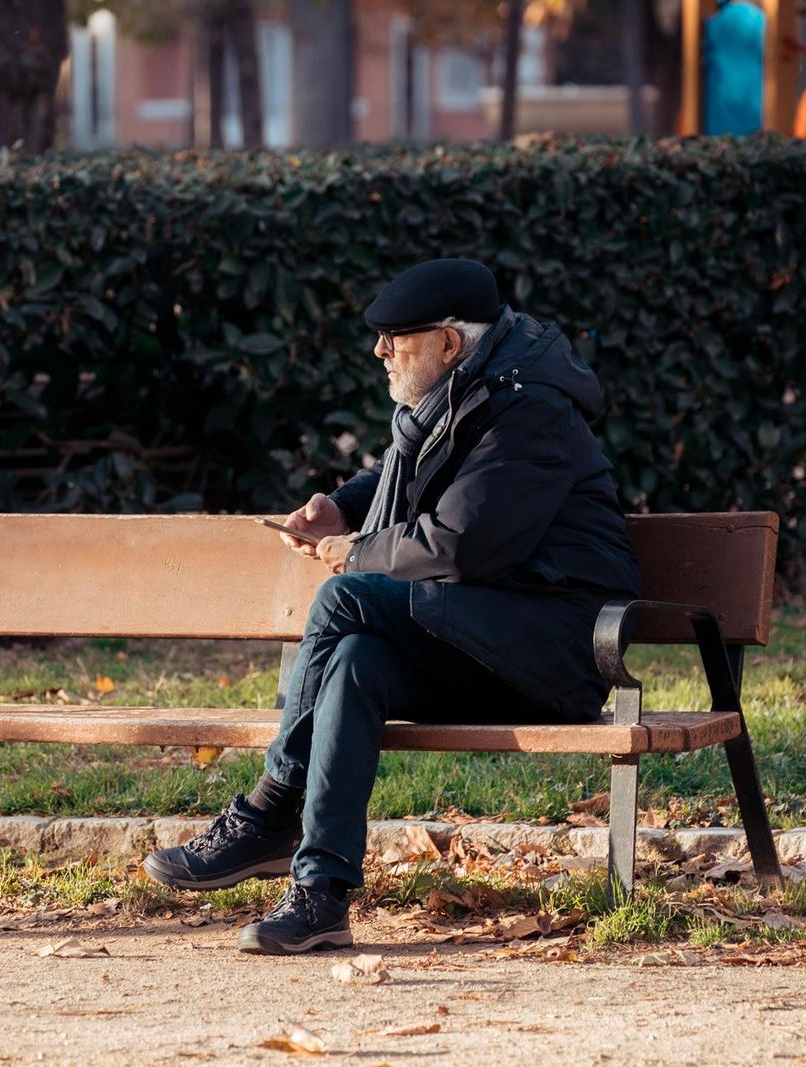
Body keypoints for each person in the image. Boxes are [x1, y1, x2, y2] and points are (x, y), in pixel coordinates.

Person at [141, 258, 643, 955]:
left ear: (449, 343)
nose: (380, 351)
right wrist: (341, 506)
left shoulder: (531, 410)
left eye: (396, 338)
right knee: (356, 659)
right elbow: (406, 467)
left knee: (348, 593)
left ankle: (269, 809)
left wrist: (355, 550)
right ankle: (320, 892)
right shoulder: (470, 389)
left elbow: (462, 544)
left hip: (551, 648)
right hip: (480, 636)